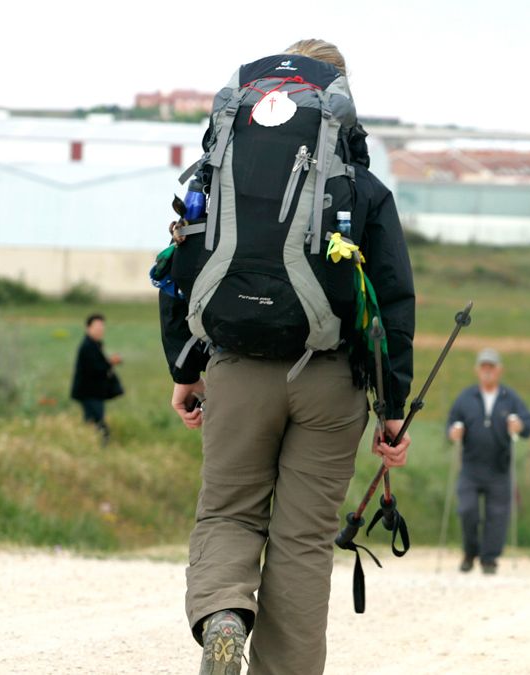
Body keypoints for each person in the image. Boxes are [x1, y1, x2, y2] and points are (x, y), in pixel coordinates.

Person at [162, 40, 415, 675]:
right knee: (301, 542)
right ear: (339, 100)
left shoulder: (218, 170)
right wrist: (391, 409)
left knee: (227, 511)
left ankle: (223, 612)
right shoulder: (363, 189)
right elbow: (391, 302)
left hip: (236, 368)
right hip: (329, 382)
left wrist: (184, 368)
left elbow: (180, 265)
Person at [447, 348, 530, 575]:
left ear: (499, 370)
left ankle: (489, 559)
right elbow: (451, 422)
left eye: (492, 367)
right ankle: (470, 552)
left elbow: (528, 422)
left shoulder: (510, 397)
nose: (487, 371)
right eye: (484, 367)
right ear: (477, 370)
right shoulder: (466, 397)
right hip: (470, 466)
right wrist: (453, 432)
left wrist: (520, 426)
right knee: (467, 511)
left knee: (497, 515)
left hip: (499, 466)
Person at [70, 313, 123, 444]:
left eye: (102, 327)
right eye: (97, 327)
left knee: (91, 421)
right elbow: (94, 368)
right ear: (88, 328)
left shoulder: (95, 344)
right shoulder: (87, 346)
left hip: (93, 392)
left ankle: (88, 443)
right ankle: (102, 444)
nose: (100, 330)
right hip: (89, 392)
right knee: (98, 421)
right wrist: (111, 362)